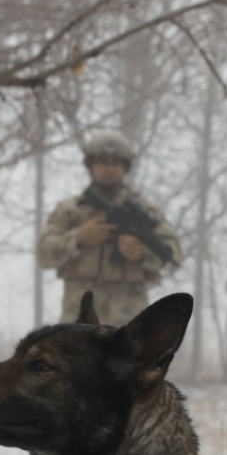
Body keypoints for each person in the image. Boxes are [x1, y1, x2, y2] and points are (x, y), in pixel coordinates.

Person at [37, 132, 182, 325]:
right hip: (79, 320)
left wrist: (142, 254)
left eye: (116, 163)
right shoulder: (70, 211)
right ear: (91, 165)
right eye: (103, 162)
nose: (110, 169)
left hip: (128, 323)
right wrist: (79, 238)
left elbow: (174, 256)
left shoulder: (144, 213)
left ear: (125, 167)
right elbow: (43, 254)